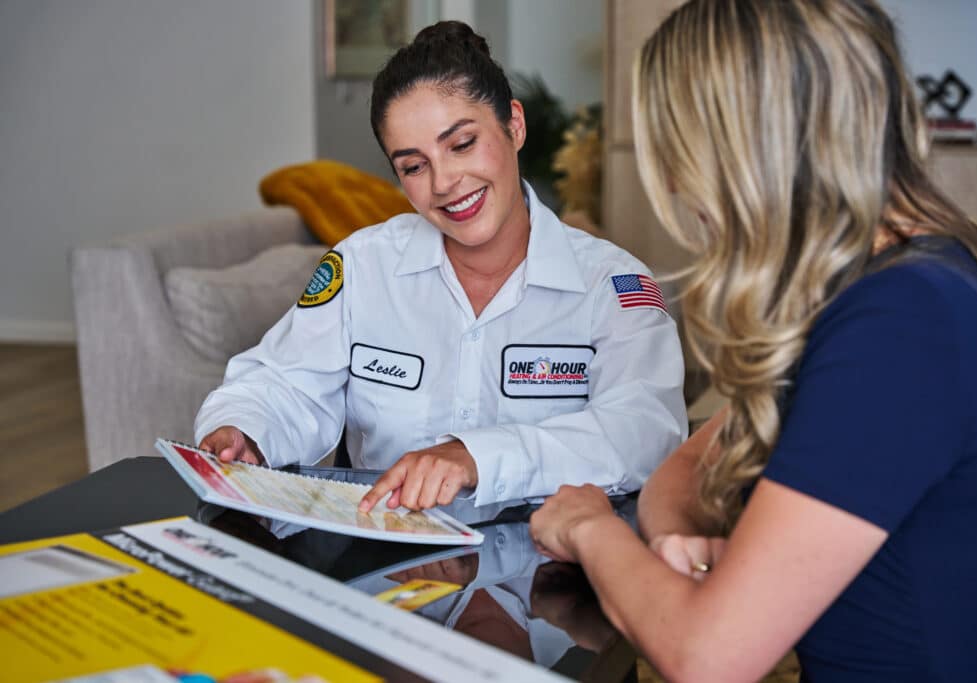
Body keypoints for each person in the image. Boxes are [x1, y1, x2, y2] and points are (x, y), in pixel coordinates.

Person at [529, 1, 977, 681]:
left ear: (747, 146)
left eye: (682, 153)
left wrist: (588, 527)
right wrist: (673, 534)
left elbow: (708, 657)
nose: (677, 184)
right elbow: (697, 457)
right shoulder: (907, 280)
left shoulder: (902, 322)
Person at [195, 21, 687, 513]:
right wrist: (244, 430)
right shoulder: (364, 267)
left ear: (514, 125)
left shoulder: (611, 285)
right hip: (386, 568)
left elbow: (644, 431)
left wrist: (475, 457)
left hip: (548, 571)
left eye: (462, 144)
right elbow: (283, 383)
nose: (445, 181)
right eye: (414, 166)